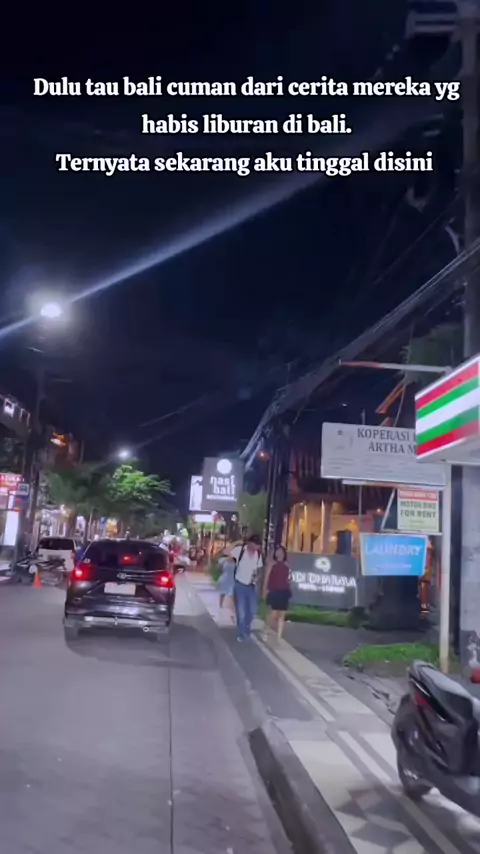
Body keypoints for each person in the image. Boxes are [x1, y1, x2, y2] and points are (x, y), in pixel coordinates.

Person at [231, 534, 262, 642]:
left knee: (252, 611)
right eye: (255, 544)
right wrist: (236, 543)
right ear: (249, 543)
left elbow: (259, 569)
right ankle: (242, 633)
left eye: (258, 545)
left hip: (251, 586)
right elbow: (225, 552)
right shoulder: (240, 551)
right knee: (241, 612)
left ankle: (246, 630)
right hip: (240, 585)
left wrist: (257, 577)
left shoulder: (258, 554)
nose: (256, 547)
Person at [263, 545, 291, 642]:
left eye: (281, 552)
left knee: (282, 615)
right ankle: (266, 630)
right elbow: (267, 578)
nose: (279, 554)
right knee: (273, 613)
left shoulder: (287, 566)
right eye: (277, 552)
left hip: (284, 591)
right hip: (274, 591)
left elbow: (289, 579)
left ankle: (279, 637)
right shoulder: (271, 564)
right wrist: (265, 590)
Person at [216, 553, 236, 622]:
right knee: (222, 593)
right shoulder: (223, 560)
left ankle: (234, 610)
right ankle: (220, 606)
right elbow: (219, 568)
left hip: (232, 579)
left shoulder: (236, 561)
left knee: (232, 595)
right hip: (225, 578)